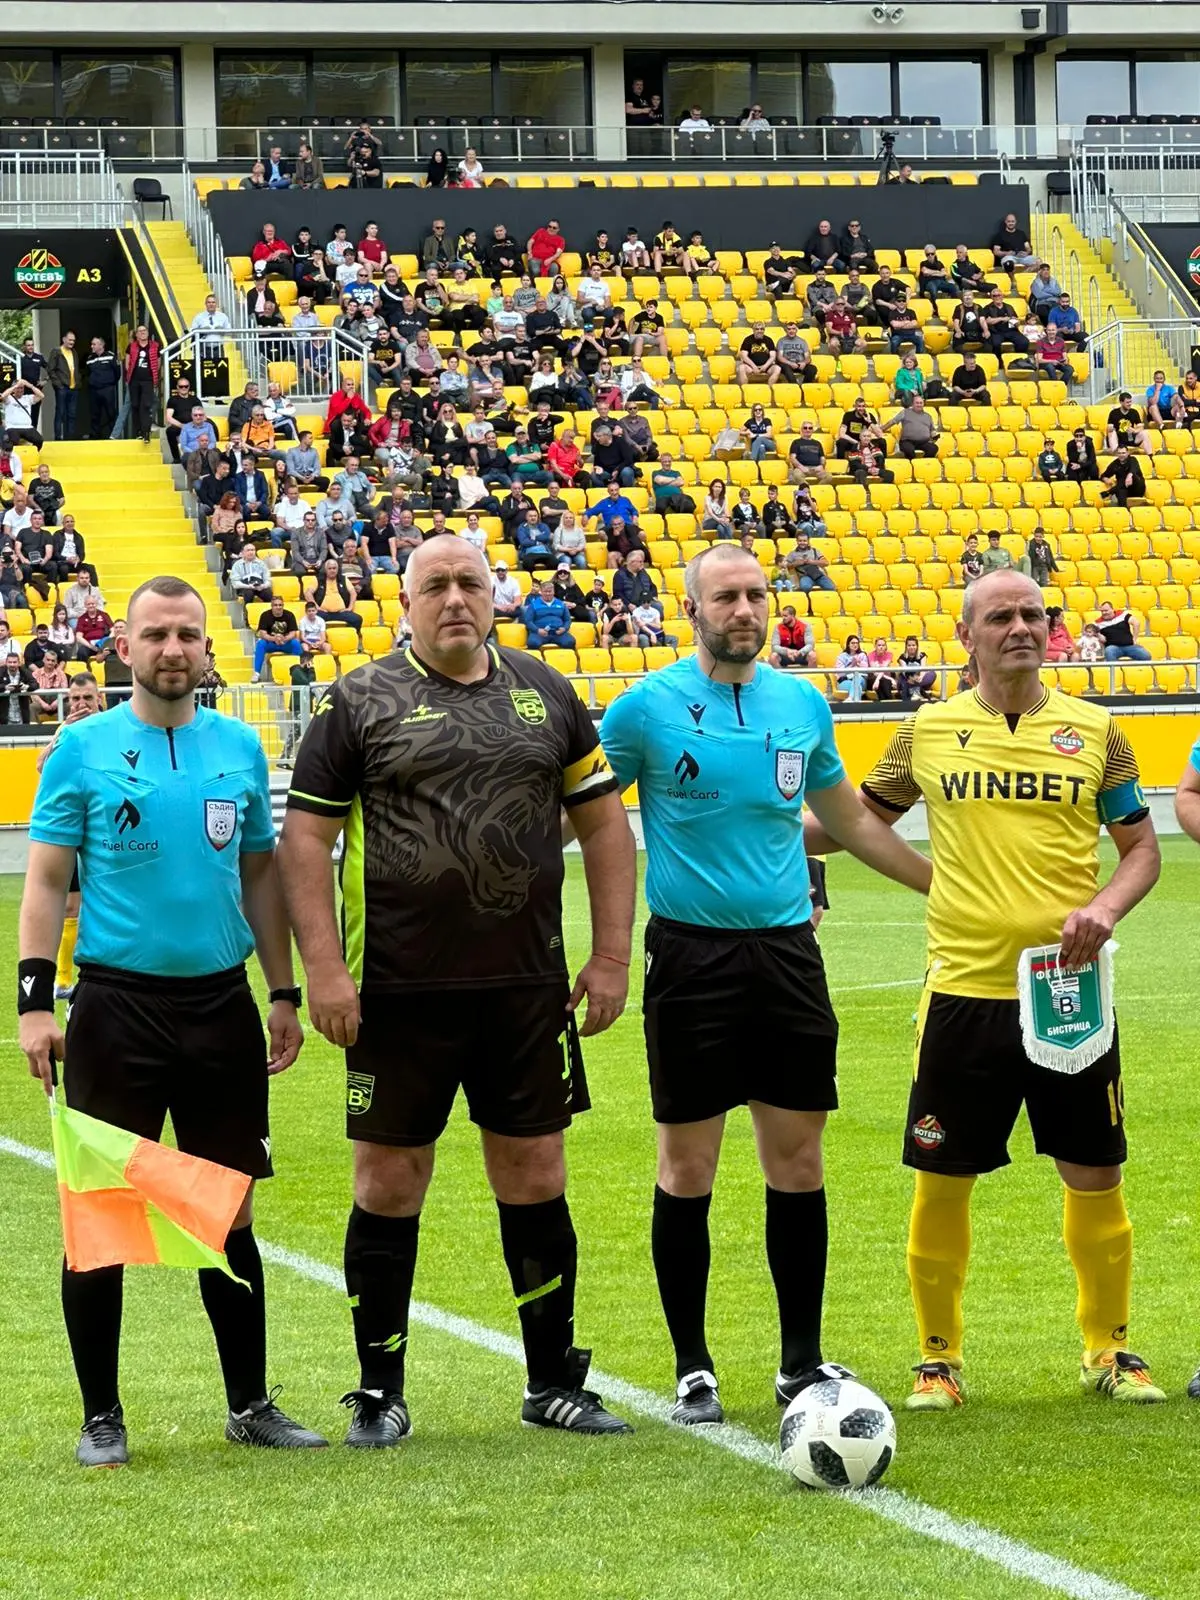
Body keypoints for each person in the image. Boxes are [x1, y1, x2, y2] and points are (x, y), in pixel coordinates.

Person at [278, 534, 635, 1444]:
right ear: (405, 602)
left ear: (494, 594)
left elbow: (604, 828)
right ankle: (379, 1389)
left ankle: (552, 1382)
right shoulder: (357, 700)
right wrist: (324, 970)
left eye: (469, 581)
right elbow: (306, 842)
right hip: (397, 992)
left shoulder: (547, 692)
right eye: (433, 584)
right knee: (389, 1180)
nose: (454, 598)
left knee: (536, 1171)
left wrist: (610, 956)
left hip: (526, 987)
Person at [599, 543, 930, 1425]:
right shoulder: (645, 710)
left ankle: (798, 1361)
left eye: (756, 595)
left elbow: (848, 821)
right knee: (688, 1165)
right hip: (689, 958)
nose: (745, 610)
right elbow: (586, 816)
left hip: (786, 956)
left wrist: (942, 884)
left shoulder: (801, 703)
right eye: (726, 597)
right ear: (692, 609)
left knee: (799, 1160)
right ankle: (693, 1368)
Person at [823, 569, 1163, 1411]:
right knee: (943, 1176)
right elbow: (853, 820)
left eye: (1033, 614)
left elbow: (1142, 850)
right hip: (962, 991)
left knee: (1096, 1171)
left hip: (1069, 991)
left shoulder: (1098, 731)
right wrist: (754, 836)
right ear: (966, 634)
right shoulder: (925, 730)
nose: (1020, 627)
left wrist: (1104, 909)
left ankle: (1109, 1351)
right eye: (1001, 616)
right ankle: (938, 1360)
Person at [19, 575, 325, 1466]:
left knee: (229, 1211)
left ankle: (250, 1404)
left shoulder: (239, 747)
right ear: (125, 648)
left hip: (220, 1007)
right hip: (115, 1007)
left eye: (188, 634)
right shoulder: (81, 749)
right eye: (155, 634)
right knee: (99, 1213)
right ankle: (101, 1417)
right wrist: (34, 1005)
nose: (173, 649)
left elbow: (260, 875)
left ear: (207, 648)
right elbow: (46, 881)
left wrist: (282, 992)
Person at [36, 669, 101, 996]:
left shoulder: (111, 730)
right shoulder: (66, 732)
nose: (81, 704)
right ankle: (63, 980)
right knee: (70, 906)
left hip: (106, 830)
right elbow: (40, 766)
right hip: (71, 829)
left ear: (99, 699)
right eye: (75, 698)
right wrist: (59, 734)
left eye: (87, 697)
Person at [253, 595, 304, 681]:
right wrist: (274, 639)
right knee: (260, 644)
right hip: (270, 643)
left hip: (285, 643)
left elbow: (293, 633)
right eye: (275, 605)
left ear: (283, 605)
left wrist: (284, 639)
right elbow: (263, 634)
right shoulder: (265, 615)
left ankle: (300, 671)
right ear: (271, 606)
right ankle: (256, 673)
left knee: (296, 643)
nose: (278, 607)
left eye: (280, 605)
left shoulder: (289, 615)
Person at [123, 325, 160, 443]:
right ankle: (138, 432)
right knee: (135, 405)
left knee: (146, 405)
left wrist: (153, 376)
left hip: (148, 381)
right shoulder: (131, 346)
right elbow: (127, 364)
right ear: (136, 334)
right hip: (134, 380)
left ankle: (146, 432)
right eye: (140, 331)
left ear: (148, 332)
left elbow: (158, 363)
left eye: (144, 330)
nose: (142, 332)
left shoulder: (155, 346)